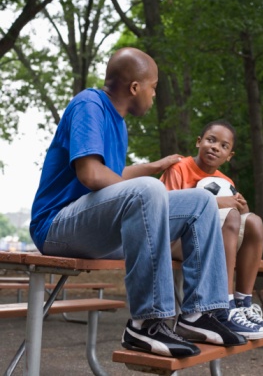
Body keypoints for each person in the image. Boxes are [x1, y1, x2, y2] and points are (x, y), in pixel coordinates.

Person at [30, 48, 247, 358]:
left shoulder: (118, 122)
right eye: (154, 86)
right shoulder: (89, 105)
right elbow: (91, 175)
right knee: (148, 191)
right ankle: (146, 323)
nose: (155, 94)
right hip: (55, 227)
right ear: (135, 87)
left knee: (200, 202)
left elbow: (113, 177)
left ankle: (200, 314)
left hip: (96, 227)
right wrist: (150, 189)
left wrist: (152, 167)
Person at [161, 119, 263, 339]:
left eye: (224, 146)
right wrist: (217, 203)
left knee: (254, 222)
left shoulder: (225, 181)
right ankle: (223, 306)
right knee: (231, 216)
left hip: (209, 240)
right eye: (211, 140)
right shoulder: (179, 169)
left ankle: (243, 304)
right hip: (175, 239)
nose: (215, 147)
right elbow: (164, 210)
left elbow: (239, 220)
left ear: (229, 156)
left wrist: (243, 208)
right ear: (199, 142)